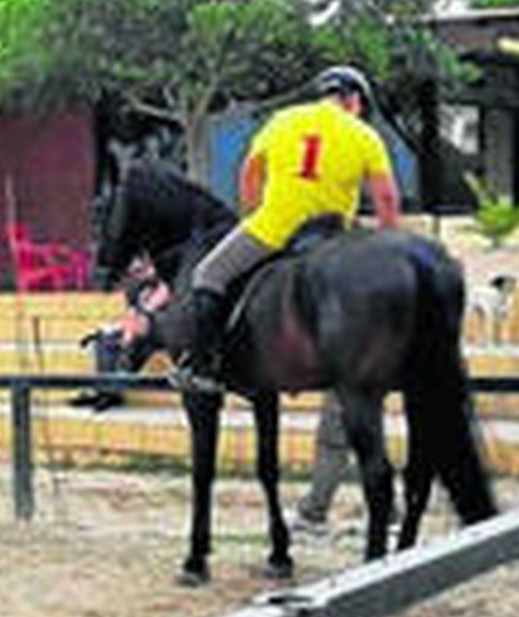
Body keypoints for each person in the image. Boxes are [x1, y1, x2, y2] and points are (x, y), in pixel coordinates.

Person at [172, 66, 402, 393]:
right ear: (353, 100)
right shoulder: (364, 134)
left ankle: (202, 366)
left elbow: (250, 175)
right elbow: (387, 198)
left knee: (208, 275)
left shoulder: (283, 120)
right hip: (330, 237)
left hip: (272, 229)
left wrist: (251, 217)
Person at [69, 256, 172, 410]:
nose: (137, 275)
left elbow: (146, 314)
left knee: (131, 344)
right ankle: (105, 392)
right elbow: (132, 314)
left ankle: (110, 392)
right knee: (105, 341)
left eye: (141, 271)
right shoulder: (137, 289)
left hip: (161, 331)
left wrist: (127, 335)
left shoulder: (166, 286)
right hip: (139, 330)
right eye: (135, 272)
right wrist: (112, 330)